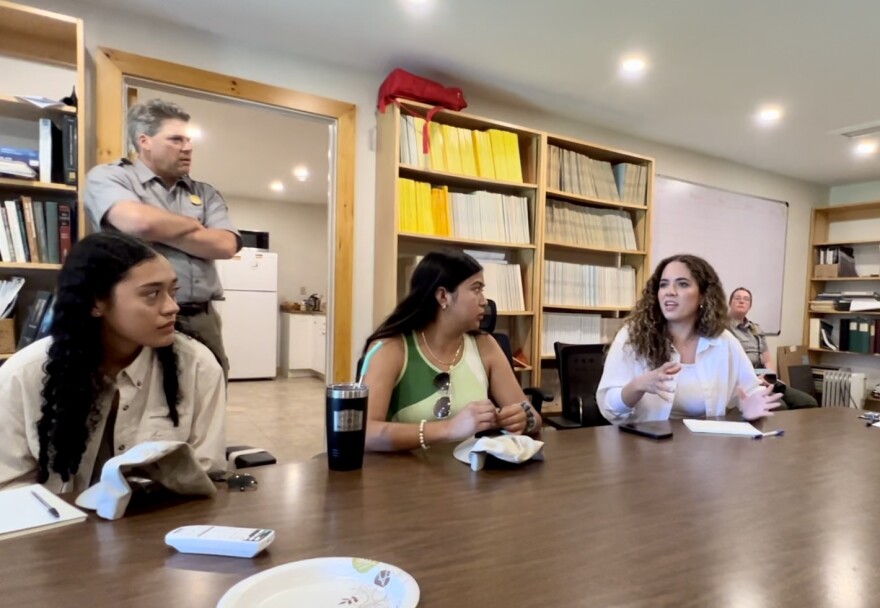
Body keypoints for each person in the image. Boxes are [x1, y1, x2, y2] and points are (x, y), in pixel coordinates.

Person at [0, 232, 227, 493]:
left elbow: (206, 475)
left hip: (159, 525)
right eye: (152, 294)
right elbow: (9, 487)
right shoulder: (22, 376)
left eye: (172, 291)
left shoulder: (198, 366)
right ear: (97, 302)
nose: (172, 307)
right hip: (55, 528)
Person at [84, 98, 241, 377]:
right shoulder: (110, 178)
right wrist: (193, 227)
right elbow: (137, 222)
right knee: (134, 396)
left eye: (189, 140)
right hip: (134, 315)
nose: (188, 147)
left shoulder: (206, 193)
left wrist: (157, 231)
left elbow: (226, 245)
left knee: (207, 394)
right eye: (176, 139)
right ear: (145, 141)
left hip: (201, 317)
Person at [360, 250, 542, 452]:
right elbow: (366, 433)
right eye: (476, 289)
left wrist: (524, 421)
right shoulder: (390, 348)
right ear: (443, 296)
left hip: (470, 474)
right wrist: (448, 429)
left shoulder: (485, 345)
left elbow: (533, 415)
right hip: (405, 478)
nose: (484, 301)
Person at [597, 254, 782, 423]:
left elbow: (749, 389)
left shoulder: (723, 340)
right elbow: (608, 407)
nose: (670, 291)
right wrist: (638, 386)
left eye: (682, 284)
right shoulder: (633, 335)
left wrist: (752, 406)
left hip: (703, 449)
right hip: (644, 447)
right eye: (664, 284)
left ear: (702, 295)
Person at [729, 287, 818, 409]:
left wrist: (770, 376)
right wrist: (755, 379)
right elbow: (728, 366)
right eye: (737, 298)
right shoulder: (723, 330)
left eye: (746, 299)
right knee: (780, 407)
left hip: (762, 377)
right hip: (744, 381)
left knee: (808, 402)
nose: (741, 301)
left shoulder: (756, 329)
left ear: (750, 305)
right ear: (730, 303)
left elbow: (767, 361)